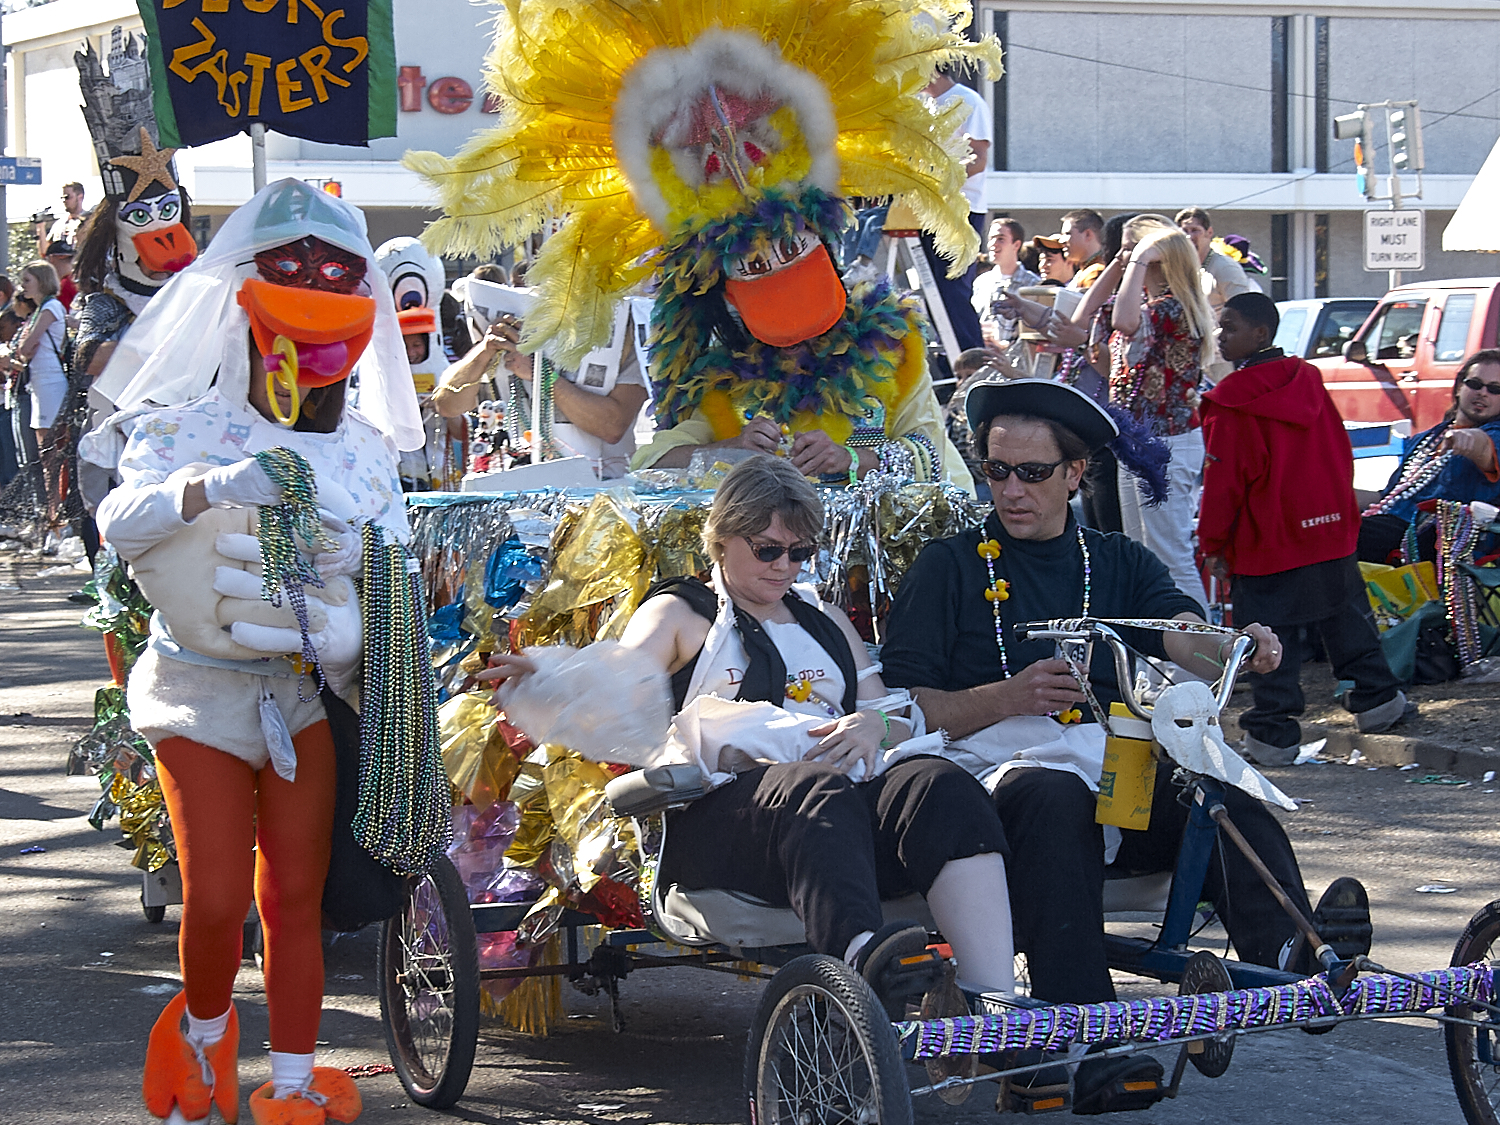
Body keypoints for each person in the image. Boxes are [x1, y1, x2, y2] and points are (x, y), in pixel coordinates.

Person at [879, 377, 1371, 1107]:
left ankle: (1294, 957)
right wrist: (1007, 697)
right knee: (1052, 796)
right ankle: (1101, 1035)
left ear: (1076, 475)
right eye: (996, 470)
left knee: (1213, 785)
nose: (1012, 489)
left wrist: (1238, 642)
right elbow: (905, 707)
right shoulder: (948, 565)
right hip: (994, 786)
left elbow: (1179, 634)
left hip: (1117, 779)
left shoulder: (1114, 560)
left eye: (1033, 472)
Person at [85, 178, 430, 1125]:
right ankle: (200, 1033)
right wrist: (207, 489)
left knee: (294, 894)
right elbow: (118, 519)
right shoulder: (182, 424)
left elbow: (394, 569)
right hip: (196, 688)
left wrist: (354, 592)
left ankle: (288, 1079)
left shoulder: (362, 448)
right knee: (218, 895)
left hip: (304, 692)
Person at [480, 454, 1017, 1010]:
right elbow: (617, 677)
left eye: (801, 552)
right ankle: (863, 970)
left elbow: (896, 716)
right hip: (725, 823)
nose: (785, 567)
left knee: (939, 782)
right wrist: (548, 673)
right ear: (722, 538)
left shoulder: (823, 619)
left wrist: (871, 723)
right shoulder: (681, 612)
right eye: (767, 549)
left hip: (837, 818)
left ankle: (993, 998)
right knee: (813, 786)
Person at [1201, 293, 1411, 764]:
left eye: (1229, 326)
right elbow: (1338, 451)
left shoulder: (1229, 402)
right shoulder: (1309, 379)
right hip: (1328, 528)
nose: (1221, 335)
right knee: (1345, 619)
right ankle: (1379, 702)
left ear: (1260, 333)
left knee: (1269, 641)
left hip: (1267, 537)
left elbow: (1225, 481)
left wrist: (1214, 542)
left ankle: (1273, 736)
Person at [1109, 218, 1217, 603]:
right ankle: (1165, 654)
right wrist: (1129, 262)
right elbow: (1095, 316)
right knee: (1144, 557)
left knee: (1171, 558)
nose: (1132, 263)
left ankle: (1204, 656)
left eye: (1143, 260)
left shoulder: (1173, 309)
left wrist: (1138, 258)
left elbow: (1122, 321)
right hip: (1142, 442)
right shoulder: (1155, 308)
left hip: (1165, 444)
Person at [431, 297, 648, 481]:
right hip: (514, 484)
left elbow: (612, 427)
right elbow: (446, 405)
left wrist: (541, 374)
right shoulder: (504, 342)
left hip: (597, 489)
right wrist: (486, 349)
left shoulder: (625, 336)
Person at [1359, 349, 1500, 564]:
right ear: (1460, 386)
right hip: (1390, 524)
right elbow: (1390, 496)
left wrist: (1468, 439)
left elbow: (1484, 449)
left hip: (1440, 542)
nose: (1483, 393)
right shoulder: (1428, 437)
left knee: (1351, 535)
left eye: (1494, 389)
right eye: (1475, 384)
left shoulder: (1494, 436)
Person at [918, 64, 992, 355]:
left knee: (953, 289)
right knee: (932, 291)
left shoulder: (968, 100)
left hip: (961, 208)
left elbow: (978, 160)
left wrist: (939, 183)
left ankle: (973, 359)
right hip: (927, 208)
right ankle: (951, 363)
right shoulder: (922, 104)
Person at [3, 262, 69, 523]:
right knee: (45, 456)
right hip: (39, 385)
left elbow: (27, 346)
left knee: (52, 453)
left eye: (27, 280)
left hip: (51, 384)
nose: (22, 286)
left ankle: (57, 513)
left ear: (41, 280)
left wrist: (22, 349)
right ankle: (52, 513)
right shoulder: (40, 309)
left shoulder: (51, 306)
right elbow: (23, 350)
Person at [971, 217, 1038, 348]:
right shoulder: (981, 282)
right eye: (991, 238)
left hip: (1014, 363)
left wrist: (1004, 346)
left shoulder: (1032, 284)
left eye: (1001, 239)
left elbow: (1034, 332)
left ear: (1016, 245)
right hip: (982, 359)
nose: (993, 244)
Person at [49, 181, 88, 249]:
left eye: (67, 197)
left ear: (80, 197)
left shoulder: (89, 222)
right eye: (63, 198)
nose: (64, 201)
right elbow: (45, 251)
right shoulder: (59, 224)